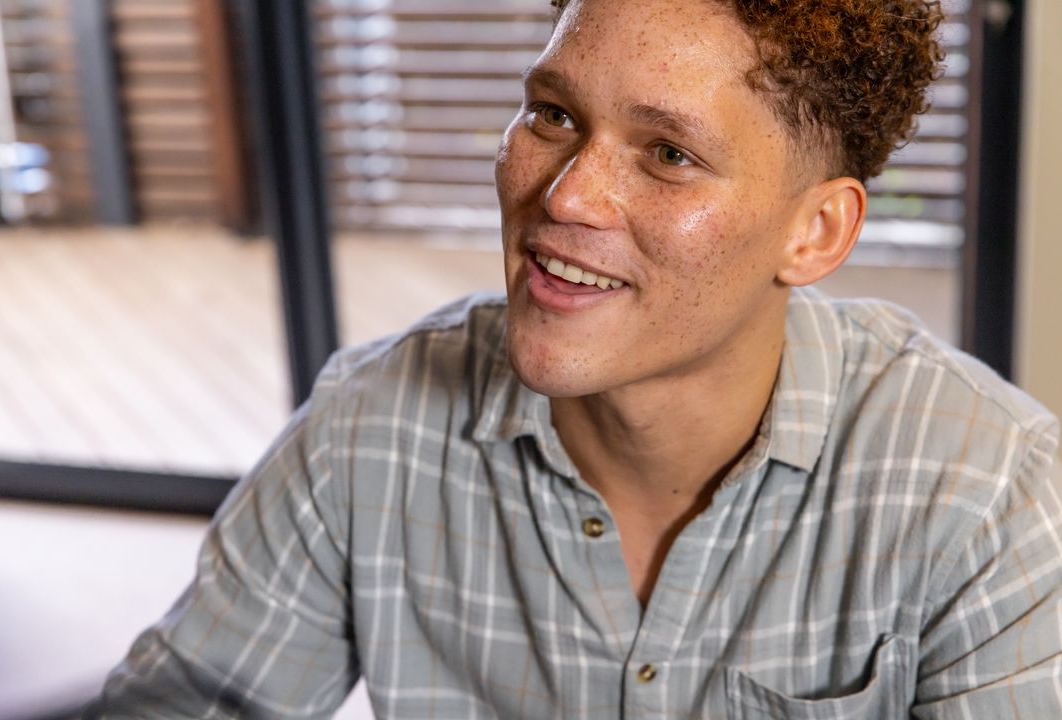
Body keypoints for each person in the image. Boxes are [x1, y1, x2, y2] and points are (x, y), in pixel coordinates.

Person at [85, 0, 1062, 717]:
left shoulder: (990, 502)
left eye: (669, 154)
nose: (566, 198)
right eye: (553, 114)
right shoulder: (368, 430)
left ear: (815, 231)